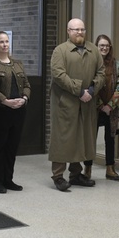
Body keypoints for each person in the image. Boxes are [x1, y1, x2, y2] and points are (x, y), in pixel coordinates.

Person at [48, 18, 105, 192]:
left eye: (82, 29)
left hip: (87, 103)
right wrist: (80, 91)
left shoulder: (93, 50)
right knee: (63, 139)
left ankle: (76, 174)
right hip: (65, 104)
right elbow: (58, 75)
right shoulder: (60, 50)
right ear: (68, 31)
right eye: (75, 30)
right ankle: (58, 176)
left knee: (81, 138)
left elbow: (101, 73)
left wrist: (92, 89)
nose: (79, 33)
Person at [0, 30, 31, 193]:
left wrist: (24, 99)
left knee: (12, 146)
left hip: (18, 111)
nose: (4, 45)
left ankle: (8, 179)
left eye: (6, 41)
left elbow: (27, 84)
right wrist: (5, 101)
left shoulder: (17, 63)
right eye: (1, 42)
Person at [84, 34, 119, 182]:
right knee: (90, 139)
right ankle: (87, 169)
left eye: (107, 46)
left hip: (112, 109)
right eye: (101, 45)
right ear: (96, 46)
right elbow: (89, 85)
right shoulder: (91, 63)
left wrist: (109, 106)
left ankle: (110, 169)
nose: (104, 48)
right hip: (94, 108)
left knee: (110, 139)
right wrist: (101, 105)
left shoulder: (117, 64)